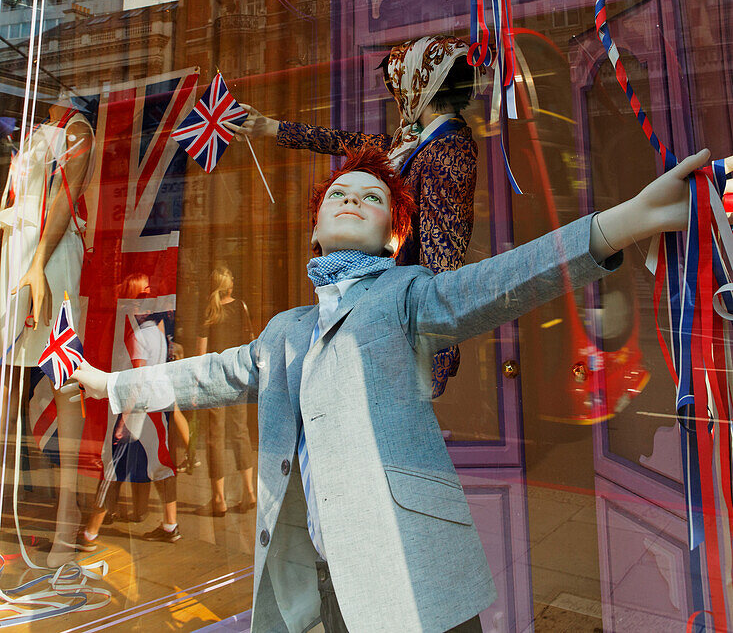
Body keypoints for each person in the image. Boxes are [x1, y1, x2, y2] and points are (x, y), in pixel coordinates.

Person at [67, 143, 708, 633]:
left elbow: (500, 282)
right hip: (326, 572)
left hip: (412, 567)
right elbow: (205, 374)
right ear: (314, 230)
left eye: (371, 198)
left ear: (395, 237)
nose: (351, 198)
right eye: (338, 192)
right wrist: (110, 382)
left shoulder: (404, 293)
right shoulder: (284, 332)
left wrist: (620, 223)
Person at [233, 34, 478, 396]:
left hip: (405, 322)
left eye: (399, 88)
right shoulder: (414, 140)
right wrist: (271, 127)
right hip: (386, 310)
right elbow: (346, 141)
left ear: (418, 86)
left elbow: (444, 247)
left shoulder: (448, 148)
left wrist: (436, 352)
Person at [0, 93, 94, 567]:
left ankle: (67, 514)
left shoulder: (78, 130)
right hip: (17, 252)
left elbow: (64, 198)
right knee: (7, 379)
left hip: (50, 257)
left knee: (61, 375)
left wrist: (37, 263)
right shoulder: (36, 132)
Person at [79, 273, 180, 550]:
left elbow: (137, 378)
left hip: (138, 409)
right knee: (162, 466)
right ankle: (170, 525)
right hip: (156, 406)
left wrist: (123, 420)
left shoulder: (137, 335)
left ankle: (90, 533)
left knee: (111, 469)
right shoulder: (158, 331)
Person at [196, 263, 256, 515]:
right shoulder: (241, 307)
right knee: (240, 432)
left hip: (214, 380)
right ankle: (249, 491)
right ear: (229, 284)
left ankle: (219, 499)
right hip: (238, 378)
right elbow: (251, 343)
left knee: (215, 438)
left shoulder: (209, 311)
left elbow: (200, 354)